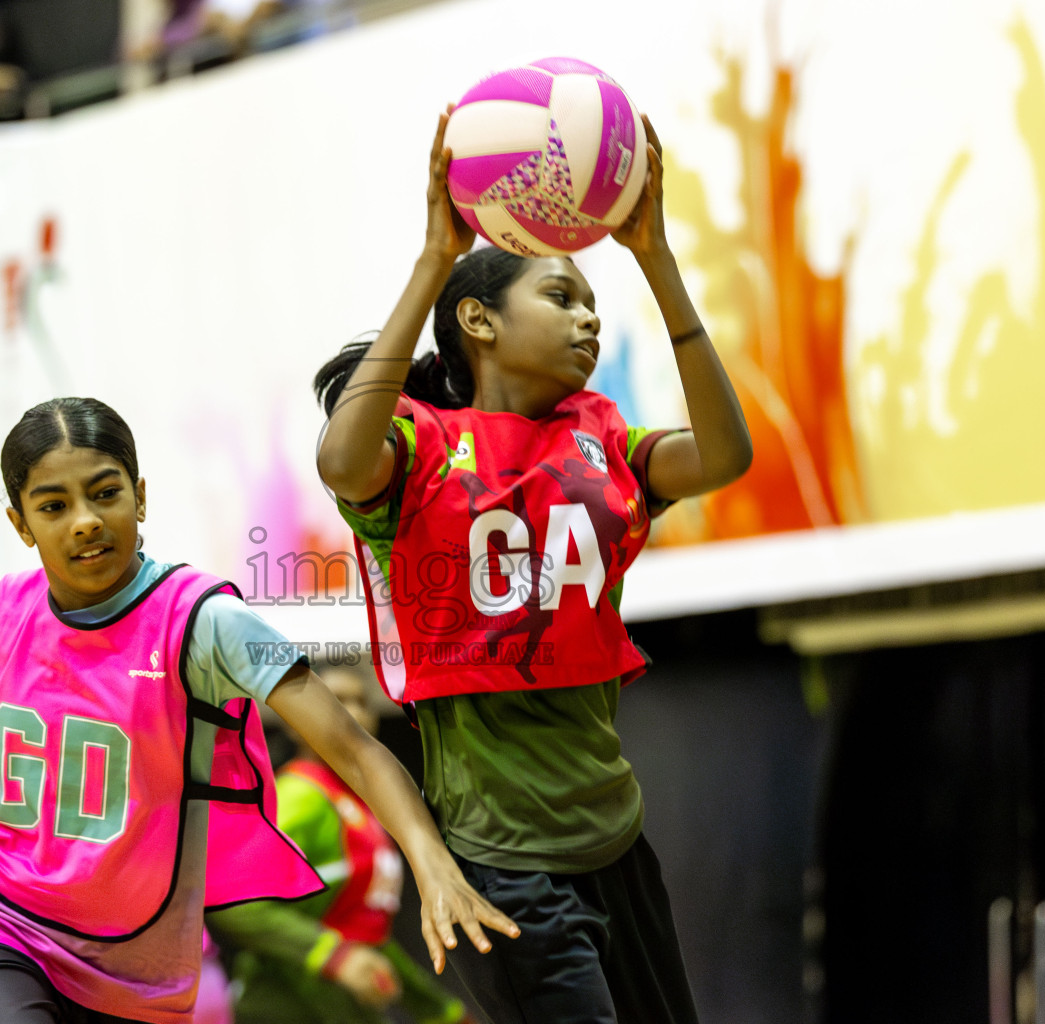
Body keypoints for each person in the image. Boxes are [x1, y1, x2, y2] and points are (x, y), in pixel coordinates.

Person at [0, 397, 516, 1024]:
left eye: (104, 492)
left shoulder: (206, 621)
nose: (85, 521)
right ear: (21, 523)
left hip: (138, 962)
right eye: (53, 506)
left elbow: (351, 746)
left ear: (141, 496)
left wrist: (434, 861)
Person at [311, 112, 753, 1024]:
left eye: (594, 303)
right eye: (562, 297)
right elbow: (343, 461)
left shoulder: (607, 438)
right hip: (501, 860)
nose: (589, 317)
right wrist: (435, 258)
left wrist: (658, 261)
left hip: (617, 838)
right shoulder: (423, 445)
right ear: (478, 320)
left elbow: (724, 455)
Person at [208, 663, 471, 1024]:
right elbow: (232, 899)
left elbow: (364, 932)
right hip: (284, 1008)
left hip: (346, 1006)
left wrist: (440, 1011)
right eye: (338, 701)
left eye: (363, 701)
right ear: (292, 720)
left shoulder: (359, 807)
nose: (357, 713)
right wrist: (331, 954)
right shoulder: (299, 798)